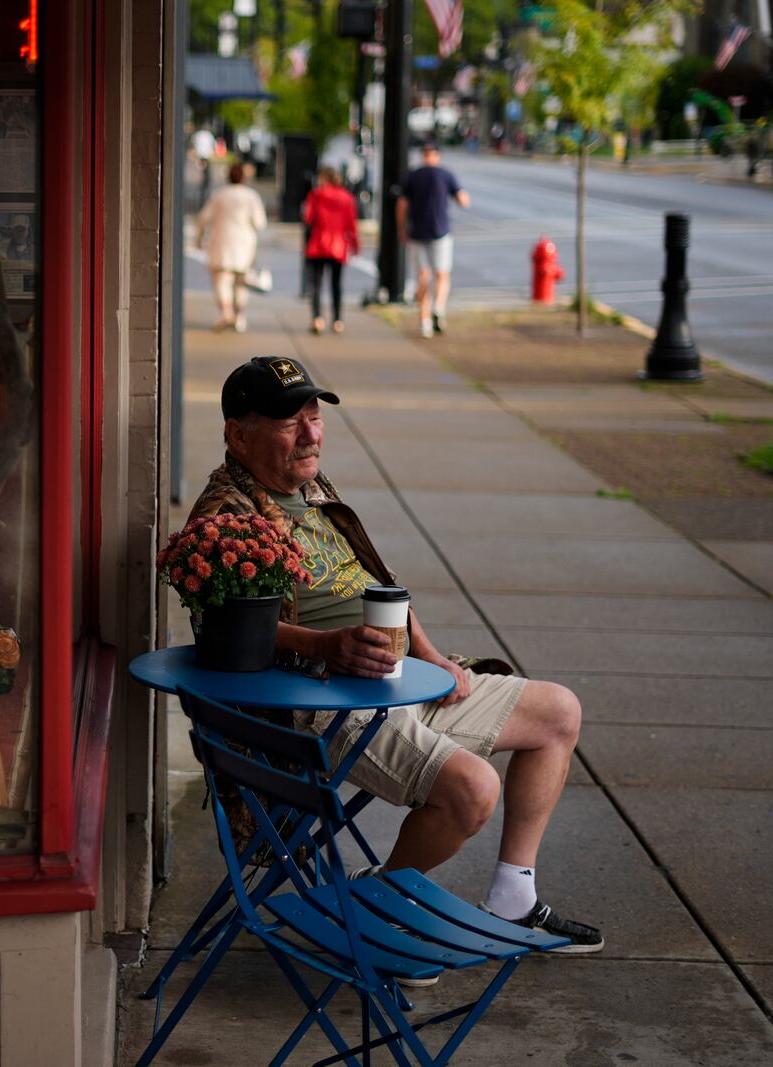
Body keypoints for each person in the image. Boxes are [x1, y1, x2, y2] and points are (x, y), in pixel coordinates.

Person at [188, 354, 604, 955]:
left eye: (313, 416)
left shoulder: (311, 488)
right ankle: (378, 906)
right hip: (320, 702)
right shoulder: (226, 516)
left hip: (398, 680)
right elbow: (224, 628)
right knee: (472, 791)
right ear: (238, 433)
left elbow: (376, 582)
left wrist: (433, 655)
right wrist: (324, 646)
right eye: (289, 422)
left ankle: (513, 899)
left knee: (558, 711)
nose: (310, 434)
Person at [397, 142, 470, 339]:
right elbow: (463, 200)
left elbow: (402, 205)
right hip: (441, 231)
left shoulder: (413, 175)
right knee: (442, 274)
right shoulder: (446, 174)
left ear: (423, 155)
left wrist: (401, 229)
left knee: (422, 276)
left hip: (417, 233)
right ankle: (439, 307)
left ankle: (425, 320)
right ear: (437, 155)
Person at [196, 162, 267, 334]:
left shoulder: (219, 195)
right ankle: (239, 316)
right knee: (241, 281)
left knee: (222, 279)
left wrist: (198, 239)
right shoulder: (251, 196)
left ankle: (226, 312)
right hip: (244, 244)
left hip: (222, 241)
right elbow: (260, 223)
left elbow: (203, 218)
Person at [301, 166, 359, 335]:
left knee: (316, 284)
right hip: (338, 245)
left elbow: (308, 218)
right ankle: (337, 320)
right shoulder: (347, 198)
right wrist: (355, 244)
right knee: (336, 284)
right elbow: (351, 224)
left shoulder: (316, 195)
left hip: (318, 243)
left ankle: (317, 318)